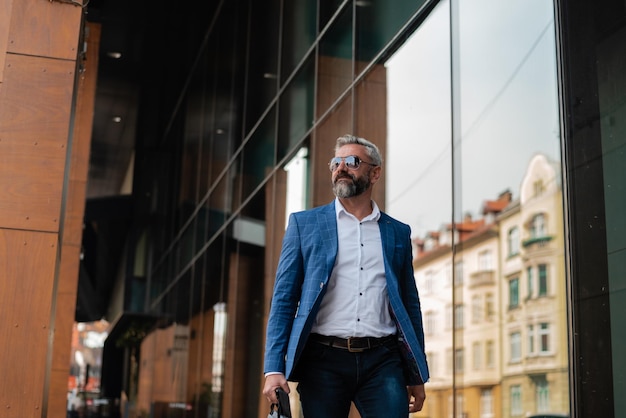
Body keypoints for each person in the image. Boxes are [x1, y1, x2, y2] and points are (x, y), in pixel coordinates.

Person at [262, 134, 429, 417]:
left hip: (383, 360)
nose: (341, 168)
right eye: (335, 162)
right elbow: (283, 300)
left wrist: (415, 373)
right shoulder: (304, 225)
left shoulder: (398, 232)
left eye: (352, 162)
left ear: (374, 173)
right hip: (322, 359)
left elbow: (410, 305)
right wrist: (273, 367)